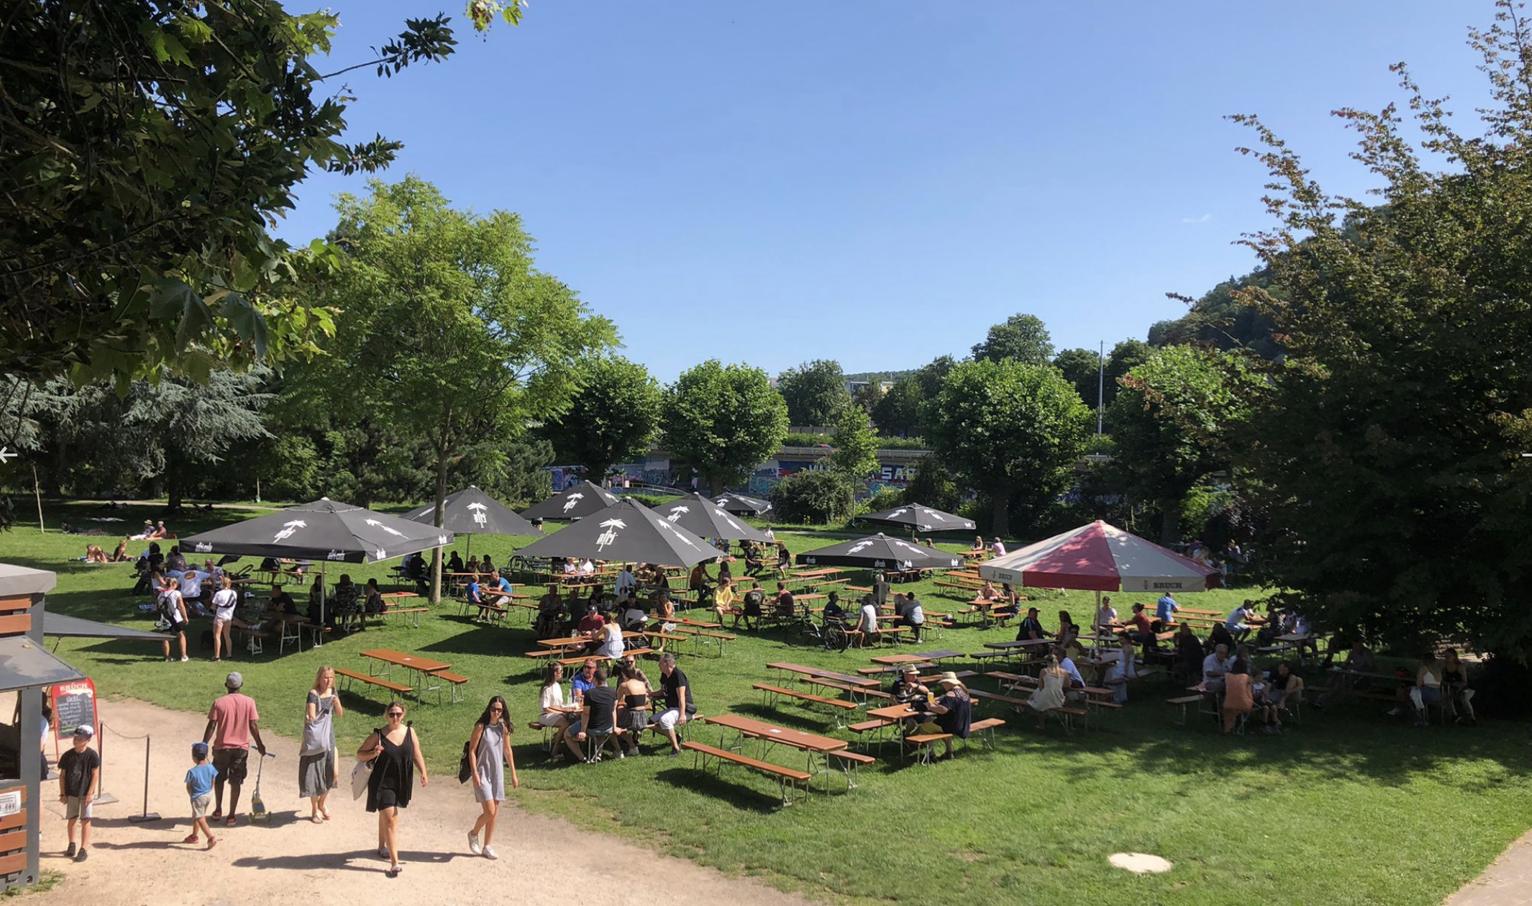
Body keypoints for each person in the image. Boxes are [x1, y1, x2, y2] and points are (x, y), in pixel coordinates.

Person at [358, 701, 427, 877]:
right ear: (386, 715)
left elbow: (416, 753)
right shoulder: (378, 735)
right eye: (391, 714)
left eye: (398, 714)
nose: (395, 717)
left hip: (401, 781)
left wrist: (423, 772)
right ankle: (394, 863)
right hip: (382, 782)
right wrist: (374, 753)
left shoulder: (410, 732)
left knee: (385, 815)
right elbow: (359, 754)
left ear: (403, 715)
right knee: (391, 818)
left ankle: (381, 846)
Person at [202, 671, 268, 826]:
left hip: (221, 748)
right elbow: (253, 725)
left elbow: (212, 725)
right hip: (240, 749)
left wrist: (204, 744)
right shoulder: (249, 702)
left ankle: (218, 809)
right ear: (241, 685)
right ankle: (231, 815)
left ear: (226, 685)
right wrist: (260, 744)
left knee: (219, 779)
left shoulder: (219, 702)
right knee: (236, 781)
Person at [466, 696, 518, 859]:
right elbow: (472, 751)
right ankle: (473, 833)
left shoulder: (503, 728)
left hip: (497, 773)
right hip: (482, 772)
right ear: (489, 709)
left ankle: (487, 845)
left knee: (494, 812)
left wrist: (513, 773)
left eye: (499, 710)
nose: (496, 712)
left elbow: (507, 750)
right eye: (494, 709)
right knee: (489, 811)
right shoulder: (481, 726)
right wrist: (474, 772)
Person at [300, 666, 344, 823]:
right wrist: (310, 717)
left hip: (329, 738)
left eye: (331, 678)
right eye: (325, 677)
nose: (328, 681)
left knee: (333, 773)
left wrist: (336, 702)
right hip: (316, 740)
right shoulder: (313, 694)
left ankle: (322, 803)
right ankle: (314, 809)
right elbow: (312, 715)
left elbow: (340, 714)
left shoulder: (333, 692)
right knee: (314, 775)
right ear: (319, 678)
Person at [57, 724, 99, 862]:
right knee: (72, 819)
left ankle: (83, 848)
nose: (76, 740)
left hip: (85, 792)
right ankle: (72, 844)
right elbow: (62, 776)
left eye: (80, 738)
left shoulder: (92, 755)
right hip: (72, 792)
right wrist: (63, 793)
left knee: (86, 819)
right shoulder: (67, 756)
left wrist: (90, 792)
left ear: (87, 740)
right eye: (75, 738)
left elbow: (95, 774)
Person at [574, 666, 619, 761]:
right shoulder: (613, 692)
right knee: (601, 731)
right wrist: (614, 727)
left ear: (595, 679)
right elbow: (613, 710)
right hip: (608, 727)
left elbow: (586, 714)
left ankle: (582, 757)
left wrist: (583, 731)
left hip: (593, 728)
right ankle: (599, 754)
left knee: (567, 733)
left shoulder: (589, 693)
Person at [923, 672, 973, 758]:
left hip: (952, 726)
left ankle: (931, 754)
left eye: (943, 683)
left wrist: (930, 707)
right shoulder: (964, 692)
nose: (943, 685)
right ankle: (949, 751)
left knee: (924, 727)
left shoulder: (950, 695)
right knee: (935, 724)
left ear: (949, 683)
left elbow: (943, 710)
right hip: (963, 725)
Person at [655, 653, 694, 756]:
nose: (658, 664)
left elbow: (682, 697)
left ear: (666, 663)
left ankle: (676, 748)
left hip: (683, 709)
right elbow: (663, 691)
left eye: (660, 662)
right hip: (672, 708)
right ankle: (675, 736)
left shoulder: (678, 675)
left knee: (665, 720)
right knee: (650, 722)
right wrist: (650, 694)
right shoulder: (664, 674)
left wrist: (682, 715)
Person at [183, 742, 218, 850]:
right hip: (208, 795)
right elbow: (213, 781)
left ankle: (210, 837)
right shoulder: (211, 767)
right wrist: (209, 790)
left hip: (197, 797)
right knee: (197, 815)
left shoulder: (191, 772)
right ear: (206, 755)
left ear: (193, 757)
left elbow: (188, 786)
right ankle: (194, 836)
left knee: (200, 818)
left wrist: (192, 796)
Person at [616, 662, 652, 756]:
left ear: (624, 674)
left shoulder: (624, 685)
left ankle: (632, 746)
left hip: (632, 716)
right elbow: (645, 700)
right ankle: (635, 735)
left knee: (616, 725)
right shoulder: (642, 684)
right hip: (643, 716)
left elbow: (616, 700)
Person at [1260, 661, 1302, 733]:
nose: (1281, 670)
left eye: (1283, 669)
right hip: (1278, 691)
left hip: (1293, 693)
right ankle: (1274, 721)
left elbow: (1300, 687)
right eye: (1280, 668)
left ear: (1288, 670)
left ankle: (1280, 705)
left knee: (1291, 681)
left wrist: (1283, 698)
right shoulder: (1275, 673)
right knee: (1268, 701)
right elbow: (1269, 685)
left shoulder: (1293, 676)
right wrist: (1265, 695)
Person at [1026, 656, 1068, 724]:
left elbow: (1040, 687)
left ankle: (1040, 723)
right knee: (1040, 695)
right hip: (1058, 698)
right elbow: (1067, 685)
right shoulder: (1064, 672)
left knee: (1036, 696)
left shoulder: (1044, 671)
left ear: (1048, 662)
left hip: (1045, 698)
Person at [1440, 648, 1477, 726]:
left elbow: (1465, 682)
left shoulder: (1460, 666)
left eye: (1449, 656)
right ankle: (1455, 716)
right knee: (1446, 698)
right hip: (1453, 688)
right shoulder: (1445, 667)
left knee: (1464, 698)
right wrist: (1447, 684)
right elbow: (1443, 680)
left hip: (1467, 688)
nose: (1447, 658)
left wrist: (1457, 685)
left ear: (1454, 656)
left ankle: (1472, 718)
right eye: (1445, 656)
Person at [157, 576, 190, 662]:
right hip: (176, 617)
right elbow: (181, 606)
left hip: (164, 617)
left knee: (165, 637)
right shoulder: (176, 593)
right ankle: (183, 656)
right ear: (174, 584)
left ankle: (167, 657)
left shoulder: (161, 594)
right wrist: (185, 617)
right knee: (181, 635)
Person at [210, 574, 238, 661]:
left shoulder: (219, 593)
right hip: (229, 616)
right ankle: (229, 654)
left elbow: (213, 607)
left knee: (217, 636)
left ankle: (217, 656)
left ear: (222, 584)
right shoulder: (234, 593)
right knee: (227, 635)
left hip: (220, 616)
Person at [1222, 658, 1254, 734]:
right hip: (1244, 703)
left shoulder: (1227, 676)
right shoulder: (1247, 677)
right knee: (1239, 706)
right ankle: (1237, 727)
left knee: (1229, 709)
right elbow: (1250, 690)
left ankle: (1228, 728)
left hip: (1229, 703)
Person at [1102, 635, 1138, 704]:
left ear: (1126, 639)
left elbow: (1127, 661)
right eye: (1119, 639)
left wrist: (1125, 672)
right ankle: (1117, 696)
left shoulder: (1127, 648)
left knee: (1112, 674)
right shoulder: (1125, 647)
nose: (1120, 641)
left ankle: (1116, 697)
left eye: (1122, 639)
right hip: (1121, 666)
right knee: (1109, 670)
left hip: (1125, 668)